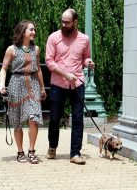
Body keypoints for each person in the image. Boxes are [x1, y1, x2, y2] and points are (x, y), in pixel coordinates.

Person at [45, 9, 95, 165]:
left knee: (78, 119)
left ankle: (75, 153)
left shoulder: (84, 39)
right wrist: (65, 74)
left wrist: (89, 63)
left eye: (67, 22)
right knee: (54, 118)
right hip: (58, 84)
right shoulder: (53, 37)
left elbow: (85, 57)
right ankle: (52, 147)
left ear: (75, 22)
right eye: (62, 21)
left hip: (77, 84)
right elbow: (49, 61)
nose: (63, 25)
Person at [0, 20, 46, 164]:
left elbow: (38, 69)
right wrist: (2, 85)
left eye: (34, 30)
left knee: (34, 118)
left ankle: (31, 151)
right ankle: (20, 151)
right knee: (17, 120)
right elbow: (4, 68)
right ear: (23, 32)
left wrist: (42, 88)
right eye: (30, 30)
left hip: (32, 84)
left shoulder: (36, 49)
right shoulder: (11, 49)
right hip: (16, 84)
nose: (34, 32)